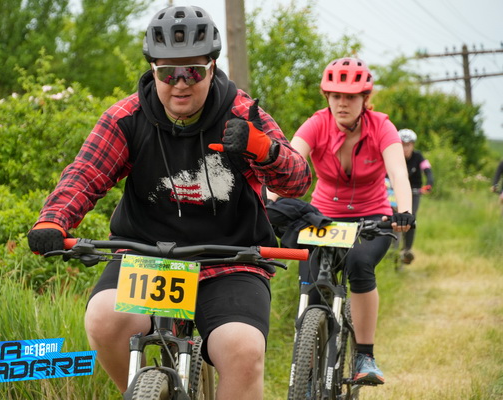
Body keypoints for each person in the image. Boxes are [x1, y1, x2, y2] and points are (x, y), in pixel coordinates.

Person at [27, 5, 311, 399]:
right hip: (146, 256)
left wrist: (266, 150)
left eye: (193, 72)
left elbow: (297, 181)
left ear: (212, 68)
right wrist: (53, 220)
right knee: (103, 320)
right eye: (167, 73)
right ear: (153, 70)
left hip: (229, 259)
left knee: (242, 351)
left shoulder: (242, 115)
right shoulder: (126, 117)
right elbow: (86, 173)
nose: (180, 84)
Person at [267, 57, 414, 385]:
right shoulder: (316, 124)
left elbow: (398, 173)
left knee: (360, 264)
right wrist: (268, 201)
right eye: (336, 95)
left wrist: (403, 210)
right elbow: (288, 166)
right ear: (327, 96)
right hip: (324, 218)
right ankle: (306, 368)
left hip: (372, 218)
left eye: (350, 97)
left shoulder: (382, 127)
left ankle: (365, 355)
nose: (342, 103)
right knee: (310, 286)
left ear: (365, 98)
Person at [398, 128, 434, 264]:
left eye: (408, 145)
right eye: (402, 145)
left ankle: (407, 249)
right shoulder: (394, 156)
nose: (405, 148)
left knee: (411, 217)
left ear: (413, 145)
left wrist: (429, 184)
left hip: (414, 192)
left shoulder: (418, 156)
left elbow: (428, 171)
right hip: (395, 192)